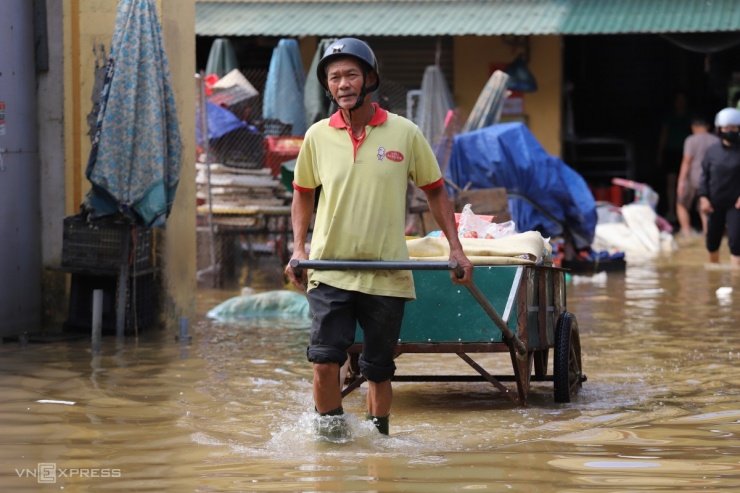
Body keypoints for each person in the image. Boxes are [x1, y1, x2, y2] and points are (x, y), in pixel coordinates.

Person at [285, 38, 473, 437]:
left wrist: (456, 249)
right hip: (329, 269)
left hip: (386, 272)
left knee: (378, 370)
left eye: (351, 74)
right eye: (334, 77)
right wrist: (298, 248)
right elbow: (302, 192)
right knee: (323, 361)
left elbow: (435, 188)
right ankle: (332, 445)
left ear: (369, 78)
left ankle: (377, 445)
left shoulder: (404, 132)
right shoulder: (317, 136)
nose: (343, 84)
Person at [697, 107, 740, 267]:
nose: (730, 131)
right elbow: (704, 177)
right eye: (727, 128)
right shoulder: (711, 152)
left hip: (736, 204)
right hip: (714, 203)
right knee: (712, 241)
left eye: (734, 128)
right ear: (720, 129)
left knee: (736, 241)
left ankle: (737, 281)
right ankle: (713, 275)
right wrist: (703, 197)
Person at [676, 117, 720, 236]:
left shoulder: (691, 140)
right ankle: (708, 236)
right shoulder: (716, 140)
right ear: (707, 127)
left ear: (693, 127)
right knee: (705, 208)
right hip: (711, 180)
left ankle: (686, 232)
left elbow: (687, 161)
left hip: (693, 179)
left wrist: (681, 181)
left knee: (681, 204)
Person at [657, 92, 692, 223]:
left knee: (686, 183)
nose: (680, 103)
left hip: (687, 153)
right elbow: (664, 135)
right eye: (678, 100)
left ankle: (684, 211)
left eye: (682, 100)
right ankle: (672, 210)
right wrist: (660, 153)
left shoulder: (690, 116)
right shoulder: (669, 117)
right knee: (671, 181)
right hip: (671, 152)